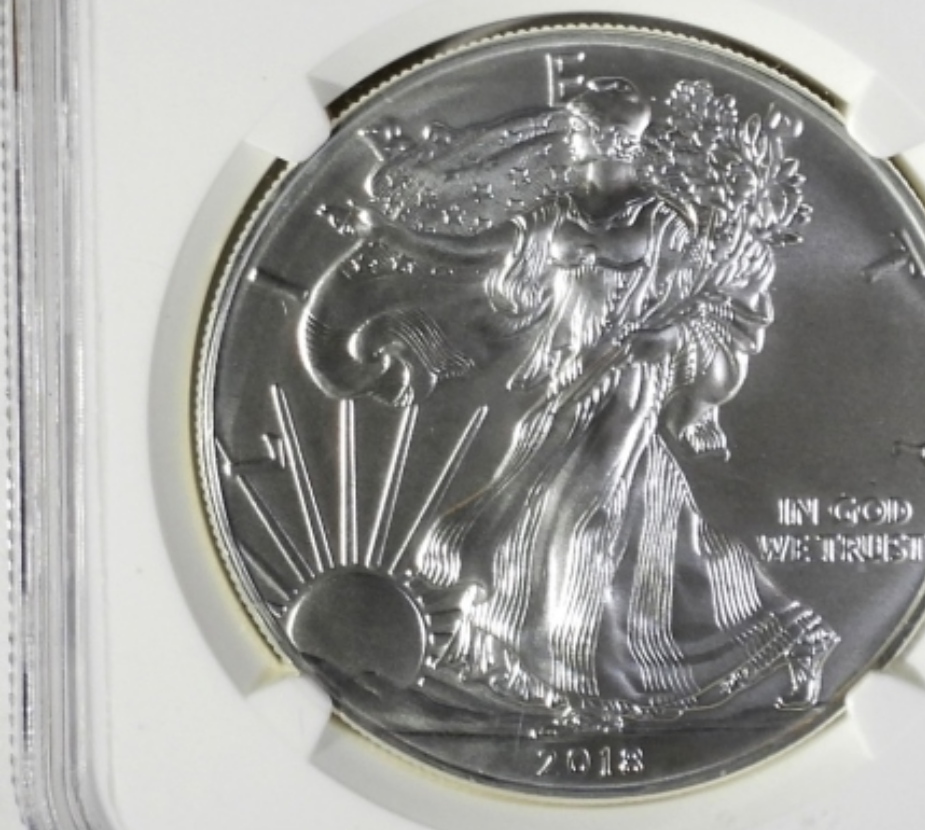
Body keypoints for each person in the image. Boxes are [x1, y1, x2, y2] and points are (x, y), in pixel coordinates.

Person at [302, 74, 838, 729]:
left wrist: (669, 338)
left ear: (624, 142)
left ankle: (587, 685)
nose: (585, 144)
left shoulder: (667, 223)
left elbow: (712, 306)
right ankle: (792, 636)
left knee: (580, 526)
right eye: (583, 133)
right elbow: (480, 255)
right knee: (568, 529)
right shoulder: (551, 214)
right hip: (567, 384)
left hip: (629, 386)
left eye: (596, 135)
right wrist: (398, 233)